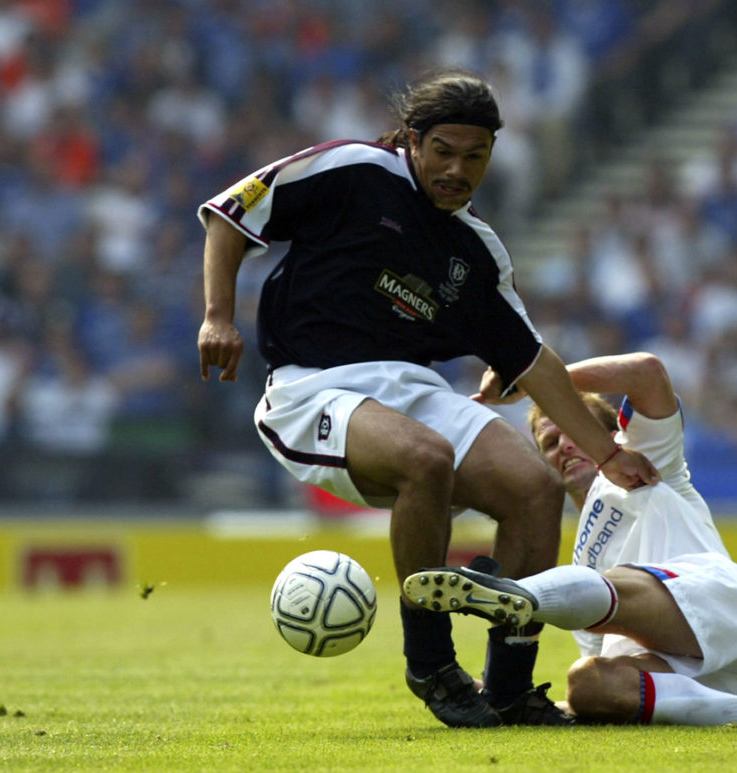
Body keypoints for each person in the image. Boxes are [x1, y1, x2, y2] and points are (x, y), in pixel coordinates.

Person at [195, 69, 658, 729]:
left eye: (475, 156)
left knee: (533, 488)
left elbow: (532, 359)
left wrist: (606, 454)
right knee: (427, 456)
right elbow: (231, 216)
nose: (456, 169)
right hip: (309, 388)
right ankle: (432, 663)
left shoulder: (476, 252)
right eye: (443, 150)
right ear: (413, 140)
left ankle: (508, 687)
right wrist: (218, 315)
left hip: (410, 389)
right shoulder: (356, 170)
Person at [405, 352, 737, 726]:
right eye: (549, 444)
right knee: (587, 684)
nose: (563, 446)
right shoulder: (579, 558)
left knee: (597, 586)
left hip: (717, 599)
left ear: (611, 432)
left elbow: (647, 374)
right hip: (707, 675)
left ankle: (515, 595)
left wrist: (539, 383)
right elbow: (600, 666)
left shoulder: (644, 461)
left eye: (571, 431)